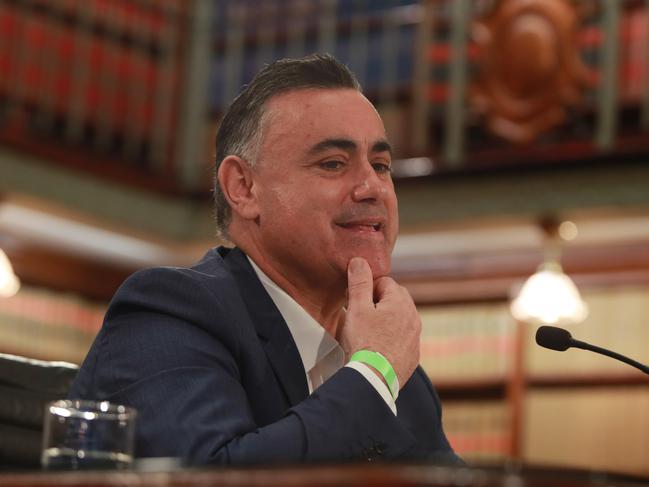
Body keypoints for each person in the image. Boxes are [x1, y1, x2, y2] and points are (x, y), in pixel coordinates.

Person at [69, 54, 459, 466]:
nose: (372, 188)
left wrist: (379, 368)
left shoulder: (401, 375)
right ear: (244, 188)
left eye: (381, 165)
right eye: (333, 164)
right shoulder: (170, 311)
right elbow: (212, 478)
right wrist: (374, 374)